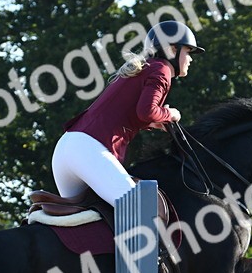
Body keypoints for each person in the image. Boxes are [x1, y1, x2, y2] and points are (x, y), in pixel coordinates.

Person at [52, 20, 203, 205]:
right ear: (172, 49)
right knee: (138, 208)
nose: (190, 59)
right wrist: (170, 114)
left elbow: (135, 113)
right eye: (188, 52)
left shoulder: (148, 67)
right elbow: (146, 111)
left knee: (89, 216)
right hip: (88, 150)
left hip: (66, 148)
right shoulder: (162, 69)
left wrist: (153, 122)